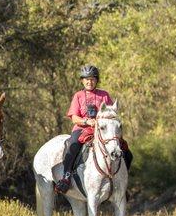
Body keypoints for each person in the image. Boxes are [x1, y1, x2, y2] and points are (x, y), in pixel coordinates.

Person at [54, 64, 132, 193]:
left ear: (96, 80)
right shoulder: (78, 96)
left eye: (92, 79)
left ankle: (123, 182)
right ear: (82, 81)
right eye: (86, 79)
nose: (89, 82)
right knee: (72, 146)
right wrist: (86, 121)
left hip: (103, 130)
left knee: (127, 151)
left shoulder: (104, 95)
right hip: (82, 128)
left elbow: (111, 113)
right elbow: (74, 117)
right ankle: (66, 178)